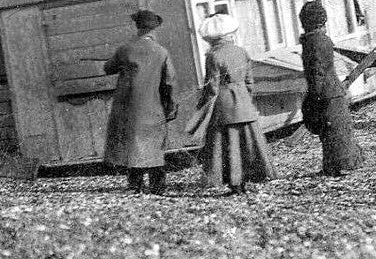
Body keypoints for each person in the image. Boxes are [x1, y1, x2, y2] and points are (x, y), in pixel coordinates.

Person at [187, 13, 276, 195]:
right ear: (228, 34)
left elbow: (212, 87)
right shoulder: (241, 51)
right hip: (244, 103)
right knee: (248, 144)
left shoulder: (213, 55)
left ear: (212, 37)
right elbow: (250, 81)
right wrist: (244, 97)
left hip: (224, 105)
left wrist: (202, 106)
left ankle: (235, 184)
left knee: (228, 146)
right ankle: (248, 180)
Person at [103, 10, 178, 194]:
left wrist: (121, 63)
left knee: (133, 143)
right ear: (154, 30)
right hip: (153, 105)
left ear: (137, 27)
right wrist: (171, 106)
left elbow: (108, 68)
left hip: (128, 107)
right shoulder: (161, 52)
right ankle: (158, 186)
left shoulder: (125, 50)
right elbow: (169, 82)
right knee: (153, 144)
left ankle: (135, 185)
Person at [299, 0, 364, 176]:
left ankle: (336, 165)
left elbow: (316, 73)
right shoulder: (322, 40)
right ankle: (345, 164)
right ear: (322, 21)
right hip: (331, 92)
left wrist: (314, 95)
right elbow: (321, 71)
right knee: (338, 129)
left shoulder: (309, 42)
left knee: (330, 131)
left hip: (323, 92)